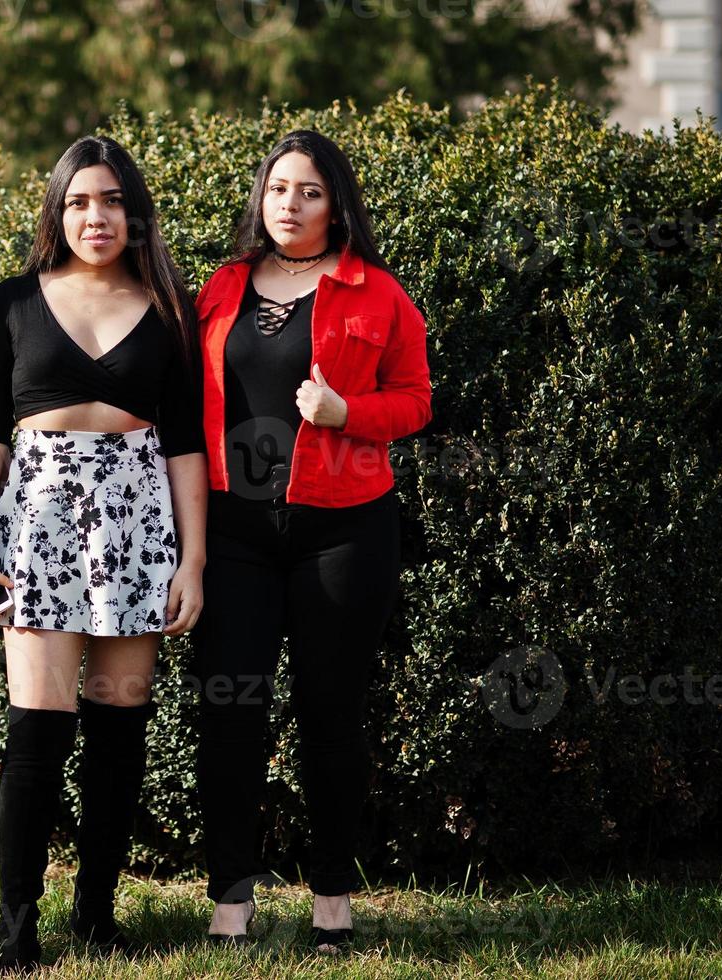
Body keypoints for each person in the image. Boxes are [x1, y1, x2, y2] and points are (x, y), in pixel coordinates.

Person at [0, 135, 208, 974]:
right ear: (56, 213)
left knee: (119, 724)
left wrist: (192, 561)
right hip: (38, 521)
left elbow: (185, 448)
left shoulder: (170, 302)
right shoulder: (15, 302)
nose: (93, 217)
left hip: (138, 520)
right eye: (77, 202)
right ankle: (16, 930)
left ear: (133, 213)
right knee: (38, 725)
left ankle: (96, 915)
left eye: (108, 201)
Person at [187, 130, 432, 952]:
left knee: (330, 716)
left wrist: (346, 414)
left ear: (337, 207)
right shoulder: (218, 289)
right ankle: (230, 905)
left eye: (309, 192)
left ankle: (332, 902)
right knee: (231, 715)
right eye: (278, 189)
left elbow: (415, 401)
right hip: (233, 530)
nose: (289, 205)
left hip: (343, 529)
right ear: (260, 196)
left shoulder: (377, 293)